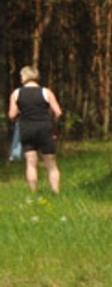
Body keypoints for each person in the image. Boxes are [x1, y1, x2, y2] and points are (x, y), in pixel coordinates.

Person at [9, 66, 63, 195]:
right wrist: (54, 125)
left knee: (31, 163)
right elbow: (58, 112)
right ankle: (56, 192)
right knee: (51, 163)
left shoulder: (16, 93)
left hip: (26, 129)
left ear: (25, 77)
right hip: (44, 128)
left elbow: (12, 115)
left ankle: (33, 193)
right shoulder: (46, 92)